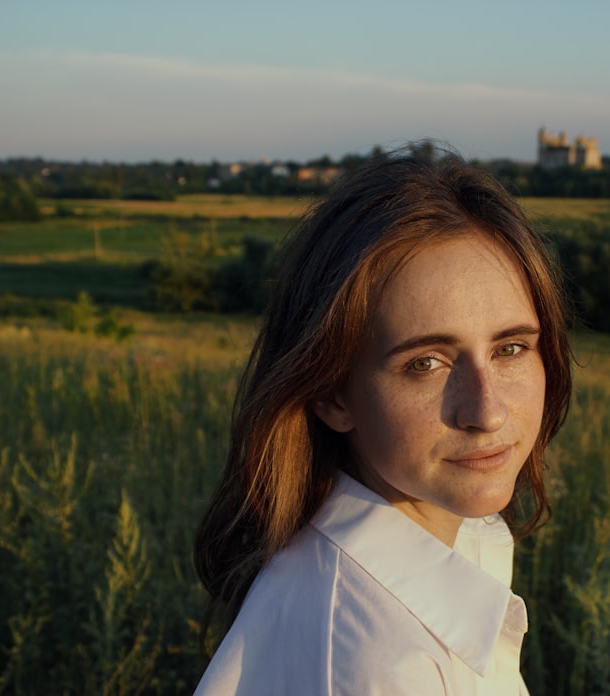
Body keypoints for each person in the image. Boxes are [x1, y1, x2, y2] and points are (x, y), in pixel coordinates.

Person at [193, 146, 573, 695]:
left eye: (511, 348)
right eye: (425, 363)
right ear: (331, 393)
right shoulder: (382, 664)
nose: (487, 411)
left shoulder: (435, 553)